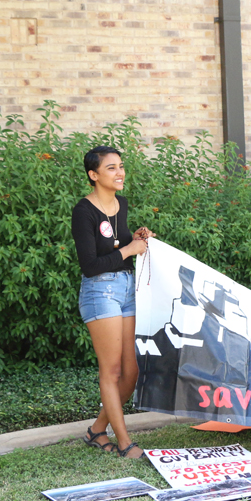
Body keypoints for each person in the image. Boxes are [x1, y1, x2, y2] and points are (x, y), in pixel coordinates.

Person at [72, 146, 154, 458]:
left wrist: (137, 238)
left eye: (120, 166)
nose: (120, 173)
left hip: (126, 288)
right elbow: (90, 265)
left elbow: (116, 244)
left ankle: (96, 430)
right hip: (100, 291)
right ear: (93, 175)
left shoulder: (122, 203)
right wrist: (130, 250)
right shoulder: (83, 211)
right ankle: (124, 443)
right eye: (111, 168)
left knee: (131, 372)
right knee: (112, 371)